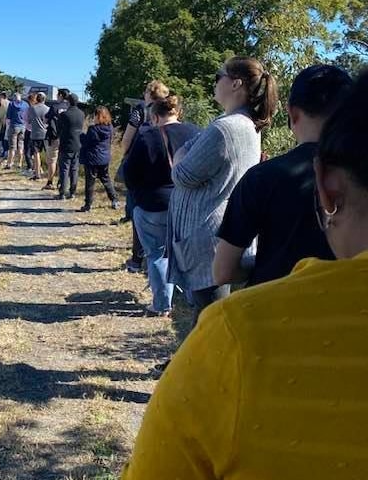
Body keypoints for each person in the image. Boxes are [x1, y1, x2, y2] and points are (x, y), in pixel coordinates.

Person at [121, 69, 368, 480]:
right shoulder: (248, 135)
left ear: (326, 187)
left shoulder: (234, 334)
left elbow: (224, 265)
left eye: (220, 75)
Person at [213, 65, 353, 287]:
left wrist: (266, 265)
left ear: (292, 113)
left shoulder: (261, 178)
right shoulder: (359, 180)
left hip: (273, 310)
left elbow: (222, 272)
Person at [168, 56, 278, 327]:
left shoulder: (224, 128)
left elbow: (181, 173)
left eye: (220, 75)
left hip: (207, 237)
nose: (215, 81)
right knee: (207, 315)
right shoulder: (236, 123)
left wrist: (180, 154)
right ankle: (190, 365)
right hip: (218, 233)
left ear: (236, 83)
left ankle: (200, 367)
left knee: (212, 318)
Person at [123, 95, 201, 315]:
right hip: (186, 203)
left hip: (153, 203)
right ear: (178, 113)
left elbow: (130, 174)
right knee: (186, 252)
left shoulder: (147, 136)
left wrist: (137, 197)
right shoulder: (196, 133)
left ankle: (161, 304)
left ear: (155, 116)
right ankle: (192, 297)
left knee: (157, 254)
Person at [121, 80, 169, 273]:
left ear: (148, 94)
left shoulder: (140, 110)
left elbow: (126, 139)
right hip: (167, 164)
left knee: (137, 209)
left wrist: (126, 155)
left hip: (142, 161)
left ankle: (136, 259)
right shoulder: (169, 109)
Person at [78, 106, 120, 211]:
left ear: (98, 116)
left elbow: (87, 143)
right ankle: (114, 199)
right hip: (104, 157)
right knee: (106, 180)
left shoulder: (93, 129)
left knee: (90, 182)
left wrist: (81, 135)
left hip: (92, 158)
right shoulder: (110, 128)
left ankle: (88, 204)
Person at [56, 93, 85, 200]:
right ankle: (72, 192)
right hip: (78, 144)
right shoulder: (82, 114)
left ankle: (62, 192)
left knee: (64, 169)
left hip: (66, 144)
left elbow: (58, 129)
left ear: (68, 102)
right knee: (74, 169)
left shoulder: (64, 115)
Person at [43, 88, 70, 190]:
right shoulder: (70, 107)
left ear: (61, 96)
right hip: (67, 138)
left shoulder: (54, 107)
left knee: (52, 160)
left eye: (58, 95)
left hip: (54, 137)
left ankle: (50, 182)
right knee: (64, 161)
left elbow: (45, 119)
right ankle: (62, 182)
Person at [28, 92, 50, 181]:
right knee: (49, 155)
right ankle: (50, 173)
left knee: (36, 154)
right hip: (45, 133)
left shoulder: (32, 108)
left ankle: (37, 174)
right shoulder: (48, 109)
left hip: (35, 134)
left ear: (37, 99)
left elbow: (29, 121)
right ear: (44, 99)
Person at [5, 92, 28, 169]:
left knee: (12, 146)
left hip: (14, 126)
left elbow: (8, 117)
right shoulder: (25, 105)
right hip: (23, 126)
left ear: (14, 98)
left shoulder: (11, 104)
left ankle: (10, 163)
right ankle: (20, 163)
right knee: (21, 145)